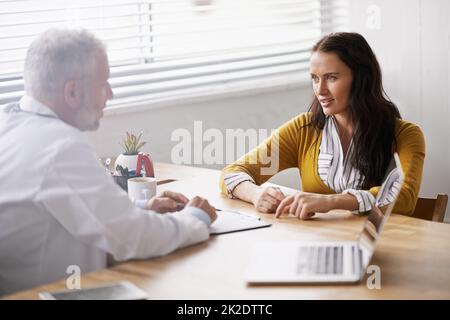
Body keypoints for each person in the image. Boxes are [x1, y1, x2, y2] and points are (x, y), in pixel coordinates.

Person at [0, 28, 216, 296]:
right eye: (104, 84)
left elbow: (57, 206)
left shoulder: (9, 122)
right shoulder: (59, 147)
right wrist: (195, 219)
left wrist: (139, 207)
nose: (111, 94)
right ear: (72, 92)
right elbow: (132, 238)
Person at [220, 32, 425, 220]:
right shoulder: (303, 130)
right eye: (315, 79)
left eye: (331, 78)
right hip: (318, 244)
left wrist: (331, 201)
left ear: (362, 79)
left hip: (381, 250)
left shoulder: (405, 135)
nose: (320, 90)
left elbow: (403, 198)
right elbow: (232, 172)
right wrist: (256, 194)